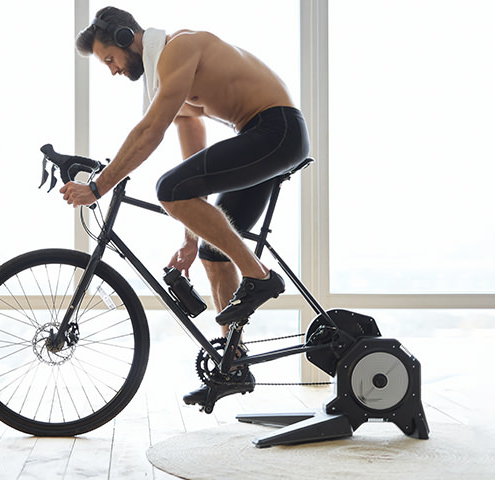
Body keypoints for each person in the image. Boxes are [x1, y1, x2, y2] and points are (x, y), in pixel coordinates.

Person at [62, 6, 310, 406]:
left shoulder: (179, 48)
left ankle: (260, 278)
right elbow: (189, 158)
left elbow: (150, 131)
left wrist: (98, 186)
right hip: (264, 135)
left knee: (166, 188)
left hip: (276, 130)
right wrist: (191, 240)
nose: (112, 70)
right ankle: (233, 365)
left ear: (127, 38)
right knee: (214, 253)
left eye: (109, 59)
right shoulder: (170, 77)